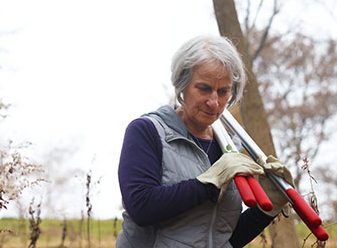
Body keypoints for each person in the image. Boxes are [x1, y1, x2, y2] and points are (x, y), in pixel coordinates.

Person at [116, 35, 293, 248]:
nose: (214, 102)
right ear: (182, 85)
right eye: (204, 88)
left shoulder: (230, 147)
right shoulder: (147, 131)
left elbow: (224, 238)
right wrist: (209, 183)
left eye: (223, 91)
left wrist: (267, 207)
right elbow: (141, 207)